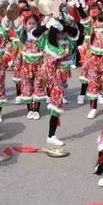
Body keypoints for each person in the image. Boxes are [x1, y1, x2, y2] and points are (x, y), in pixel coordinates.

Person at [33, 18, 80, 146]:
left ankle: (51, 134)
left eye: (63, 33)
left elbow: (76, 32)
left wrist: (63, 26)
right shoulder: (48, 43)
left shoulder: (68, 42)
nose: (62, 35)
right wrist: (46, 25)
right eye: (58, 33)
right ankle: (51, 135)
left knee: (56, 106)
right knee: (56, 106)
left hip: (61, 76)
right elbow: (35, 34)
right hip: (49, 76)